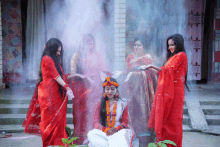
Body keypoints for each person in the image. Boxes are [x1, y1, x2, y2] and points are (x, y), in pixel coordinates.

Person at [22, 38, 74, 147]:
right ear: (52, 49)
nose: (59, 53)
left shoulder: (55, 61)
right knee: (48, 122)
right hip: (47, 95)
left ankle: (59, 143)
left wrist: (73, 76)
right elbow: (56, 76)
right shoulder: (47, 59)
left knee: (59, 121)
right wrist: (67, 87)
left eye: (60, 51)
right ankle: (48, 144)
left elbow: (61, 76)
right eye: (57, 51)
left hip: (56, 95)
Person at [146, 34, 188, 147]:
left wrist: (152, 66)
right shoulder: (172, 57)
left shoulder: (181, 55)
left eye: (172, 45)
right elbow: (163, 72)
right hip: (169, 90)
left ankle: (173, 145)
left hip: (175, 93)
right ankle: (163, 144)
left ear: (178, 44)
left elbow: (167, 71)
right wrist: (150, 69)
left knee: (173, 121)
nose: (170, 48)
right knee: (165, 120)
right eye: (169, 45)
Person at [68, 33, 110, 144]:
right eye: (87, 42)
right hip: (81, 89)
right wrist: (82, 76)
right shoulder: (78, 55)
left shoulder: (98, 54)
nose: (90, 44)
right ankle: (80, 140)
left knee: (95, 113)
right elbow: (72, 74)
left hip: (95, 89)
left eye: (91, 41)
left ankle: (95, 140)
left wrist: (103, 75)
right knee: (81, 116)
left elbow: (104, 70)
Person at [123, 36, 158, 146]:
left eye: (139, 45)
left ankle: (145, 140)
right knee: (133, 112)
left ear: (143, 47)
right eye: (135, 45)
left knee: (144, 113)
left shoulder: (147, 57)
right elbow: (127, 69)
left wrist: (140, 71)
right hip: (132, 91)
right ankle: (132, 138)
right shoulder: (130, 57)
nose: (137, 47)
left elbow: (150, 72)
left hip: (144, 91)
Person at [87, 77, 134, 147]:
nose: (110, 92)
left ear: (116, 90)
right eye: (107, 89)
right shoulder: (99, 103)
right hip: (104, 131)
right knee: (92, 133)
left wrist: (115, 129)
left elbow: (124, 122)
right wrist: (105, 130)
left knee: (121, 137)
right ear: (104, 90)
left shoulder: (122, 103)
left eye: (112, 89)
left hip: (118, 131)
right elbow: (95, 122)